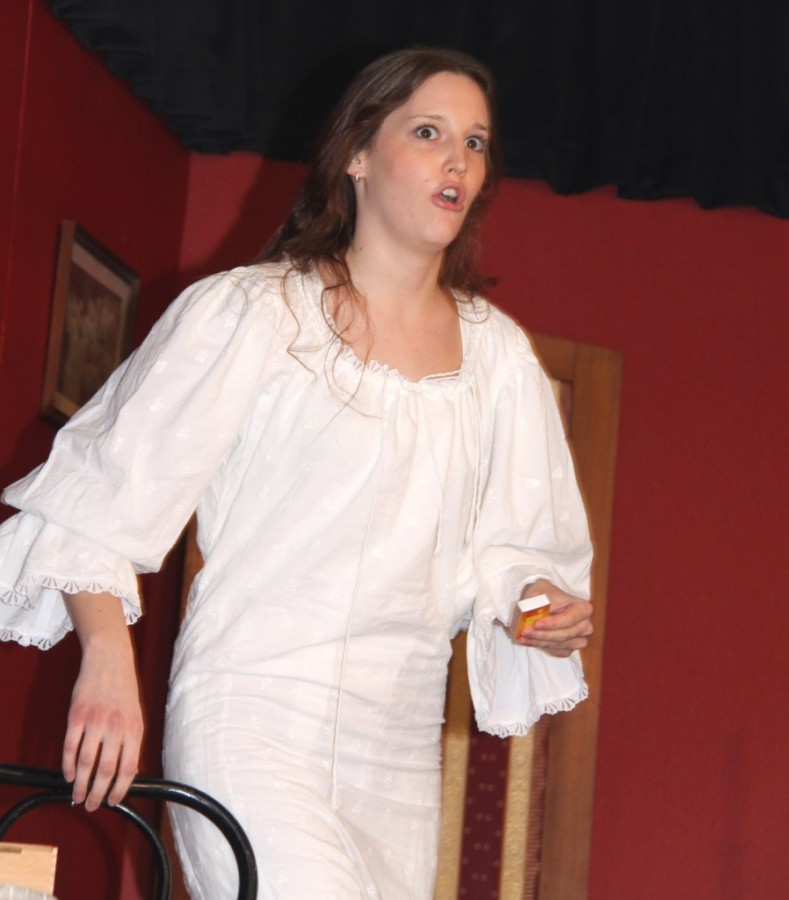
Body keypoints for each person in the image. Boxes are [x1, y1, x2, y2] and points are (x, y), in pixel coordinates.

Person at [0, 47, 593, 899]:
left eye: (474, 141)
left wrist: (537, 603)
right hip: (252, 714)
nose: (457, 160)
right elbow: (98, 493)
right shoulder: (254, 313)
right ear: (356, 154)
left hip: (398, 748)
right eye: (427, 133)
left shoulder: (497, 359)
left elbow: (510, 551)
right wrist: (106, 660)